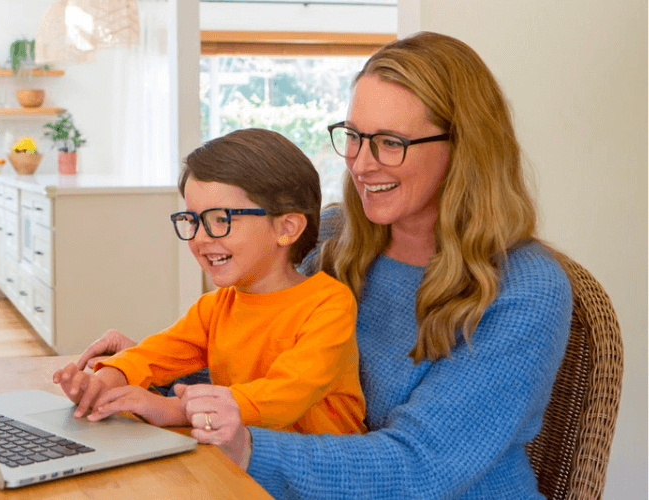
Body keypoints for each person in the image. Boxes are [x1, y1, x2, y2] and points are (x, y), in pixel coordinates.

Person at [76, 32, 574, 499]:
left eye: (390, 143)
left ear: (464, 149)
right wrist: (140, 371)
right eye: (354, 136)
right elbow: (265, 363)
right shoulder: (337, 238)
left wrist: (246, 445)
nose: (360, 163)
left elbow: (422, 468)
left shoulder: (523, 289)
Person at [52, 128, 367, 436]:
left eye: (221, 219)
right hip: (234, 460)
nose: (201, 237)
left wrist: (175, 410)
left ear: (286, 227)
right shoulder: (214, 307)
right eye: (193, 220)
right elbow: (153, 354)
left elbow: (283, 396)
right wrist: (105, 382)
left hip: (309, 476)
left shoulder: (329, 305)